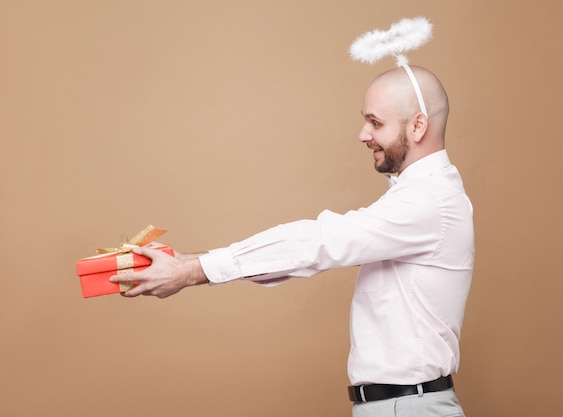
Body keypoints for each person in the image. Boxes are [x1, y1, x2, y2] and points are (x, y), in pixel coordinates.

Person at [111, 65, 474, 417]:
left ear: (418, 125)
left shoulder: (428, 201)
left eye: (375, 122)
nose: (363, 134)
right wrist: (187, 262)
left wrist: (190, 270)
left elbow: (316, 242)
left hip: (408, 410)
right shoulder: (420, 198)